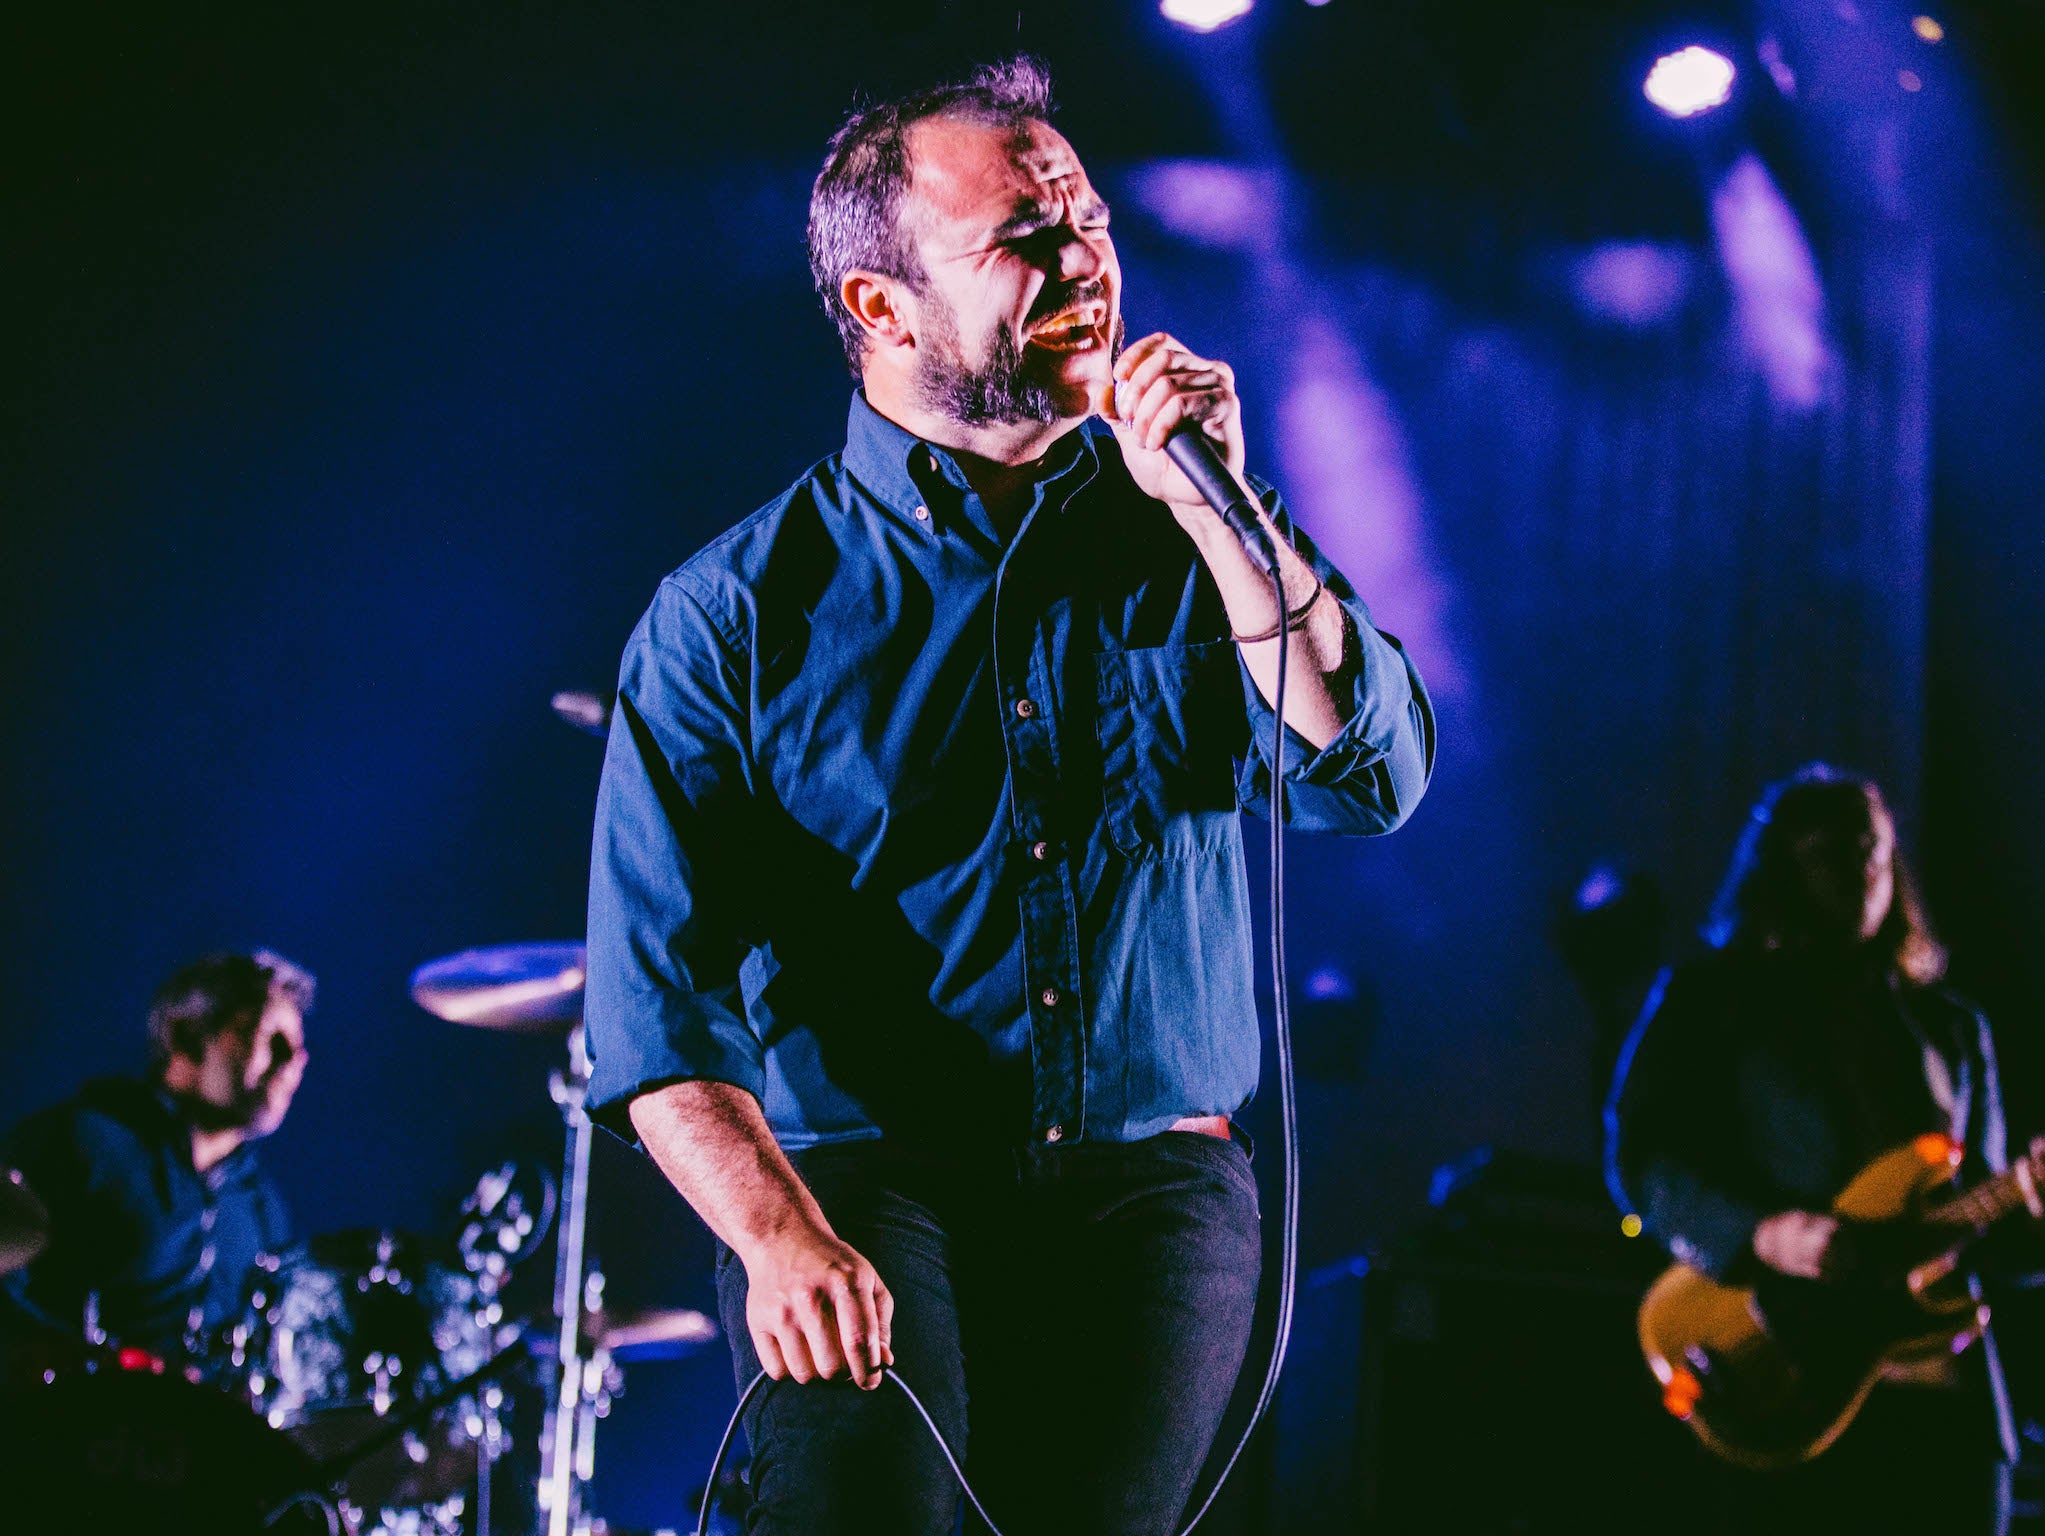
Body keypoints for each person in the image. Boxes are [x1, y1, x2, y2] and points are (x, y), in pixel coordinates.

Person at [583, 56, 1433, 1536]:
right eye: (1023, 242)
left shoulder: (1187, 527)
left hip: (1149, 1186)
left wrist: (1230, 518)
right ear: (882, 308)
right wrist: (780, 1241)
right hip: (863, 1179)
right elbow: (653, 1010)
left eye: (1090, 218)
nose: (1085, 258)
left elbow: (1373, 776)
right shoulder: (731, 614)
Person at [1607, 764, 2045, 1534]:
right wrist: (1763, 1233)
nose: (1861, 874)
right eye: (1832, 853)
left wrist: (2032, 1209)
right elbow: (1643, 1156)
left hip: (1944, 1408)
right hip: (1786, 1378)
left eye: (1873, 851)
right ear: (1783, 867)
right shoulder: (1711, 998)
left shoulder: (1951, 1028)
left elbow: (1990, 1232)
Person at [3, 950, 311, 1366]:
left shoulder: (265, 1212)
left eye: (298, 1046)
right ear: (186, 1037)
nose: (292, 1062)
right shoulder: (81, 1142)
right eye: (267, 1036)